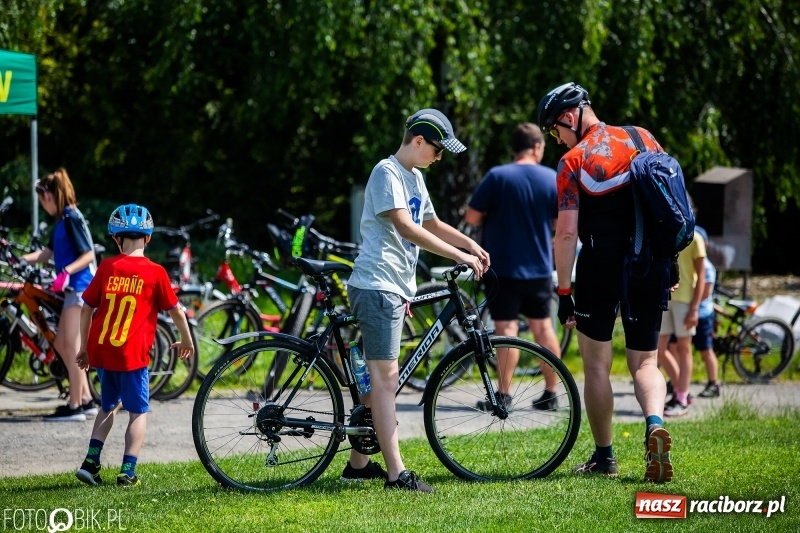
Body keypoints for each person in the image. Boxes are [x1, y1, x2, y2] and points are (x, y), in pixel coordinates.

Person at [344, 108, 490, 492]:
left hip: (392, 286)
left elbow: (430, 222)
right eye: (438, 150)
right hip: (377, 285)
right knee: (386, 380)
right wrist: (457, 256)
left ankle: (358, 463)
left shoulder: (415, 177)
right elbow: (405, 225)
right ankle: (397, 474)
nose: (439, 158)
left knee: (375, 380)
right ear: (419, 141)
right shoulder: (386, 172)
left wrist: (469, 242)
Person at [536, 82, 673, 483]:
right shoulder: (643, 137)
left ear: (569, 116)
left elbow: (566, 235)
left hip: (599, 269)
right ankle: (653, 426)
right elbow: (669, 204)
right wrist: (672, 262)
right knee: (646, 361)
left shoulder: (574, 162)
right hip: (651, 263)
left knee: (596, 367)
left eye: (555, 130)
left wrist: (564, 293)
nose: (557, 139)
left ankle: (604, 458)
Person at [75, 204, 194, 486]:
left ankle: (91, 463)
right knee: (138, 411)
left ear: (116, 239)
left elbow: (86, 308)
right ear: (148, 238)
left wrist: (84, 348)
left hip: (103, 351)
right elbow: (176, 311)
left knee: (107, 406)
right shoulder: (155, 272)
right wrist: (187, 339)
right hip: (132, 355)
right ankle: (128, 471)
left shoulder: (106, 266)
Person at [464, 123, 562, 411]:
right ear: (536, 147)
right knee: (544, 329)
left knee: (506, 331)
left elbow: (471, 216)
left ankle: (504, 394)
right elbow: (560, 223)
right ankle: (551, 392)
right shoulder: (550, 178)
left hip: (503, 267)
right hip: (540, 268)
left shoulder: (497, 176)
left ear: (514, 148)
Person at [22, 168, 97, 421]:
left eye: (43, 200)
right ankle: (85, 399)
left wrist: (65, 271)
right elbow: (46, 253)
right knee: (63, 344)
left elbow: (88, 255)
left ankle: (75, 405)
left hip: (79, 288)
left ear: (50, 196)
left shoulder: (72, 218)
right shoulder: (64, 220)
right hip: (73, 289)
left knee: (70, 346)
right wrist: (20, 259)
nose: (43, 206)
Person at [665, 226, 720, 401]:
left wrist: (694, 309)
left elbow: (702, 277)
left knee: (684, 348)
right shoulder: (664, 231)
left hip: (685, 301)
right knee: (659, 349)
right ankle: (681, 390)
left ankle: (681, 395)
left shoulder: (694, 238)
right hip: (665, 298)